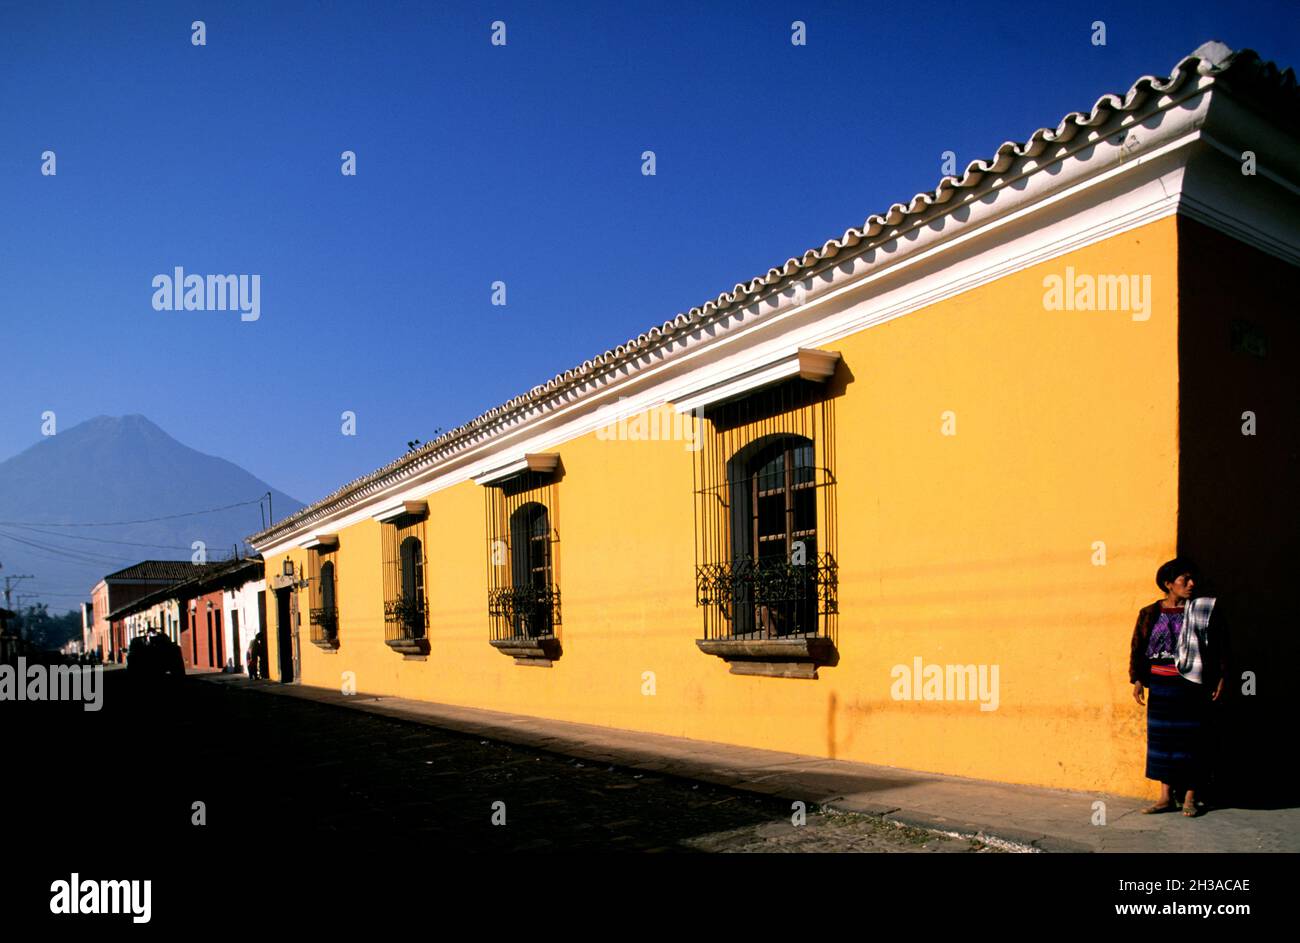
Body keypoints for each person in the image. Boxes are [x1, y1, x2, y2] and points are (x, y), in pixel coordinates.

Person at [1130, 558, 1228, 817]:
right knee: (1163, 741)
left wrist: (1220, 677)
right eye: (1185, 580)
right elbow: (1138, 647)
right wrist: (1138, 679)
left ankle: (1190, 798)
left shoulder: (1202, 611)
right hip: (1161, 685)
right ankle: (1165, 797)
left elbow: (1219, 646)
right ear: (1168, 584)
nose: (1191, 584)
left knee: (1193, 739)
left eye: (1192, 579)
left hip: (1192, 683)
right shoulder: (1150, 613)